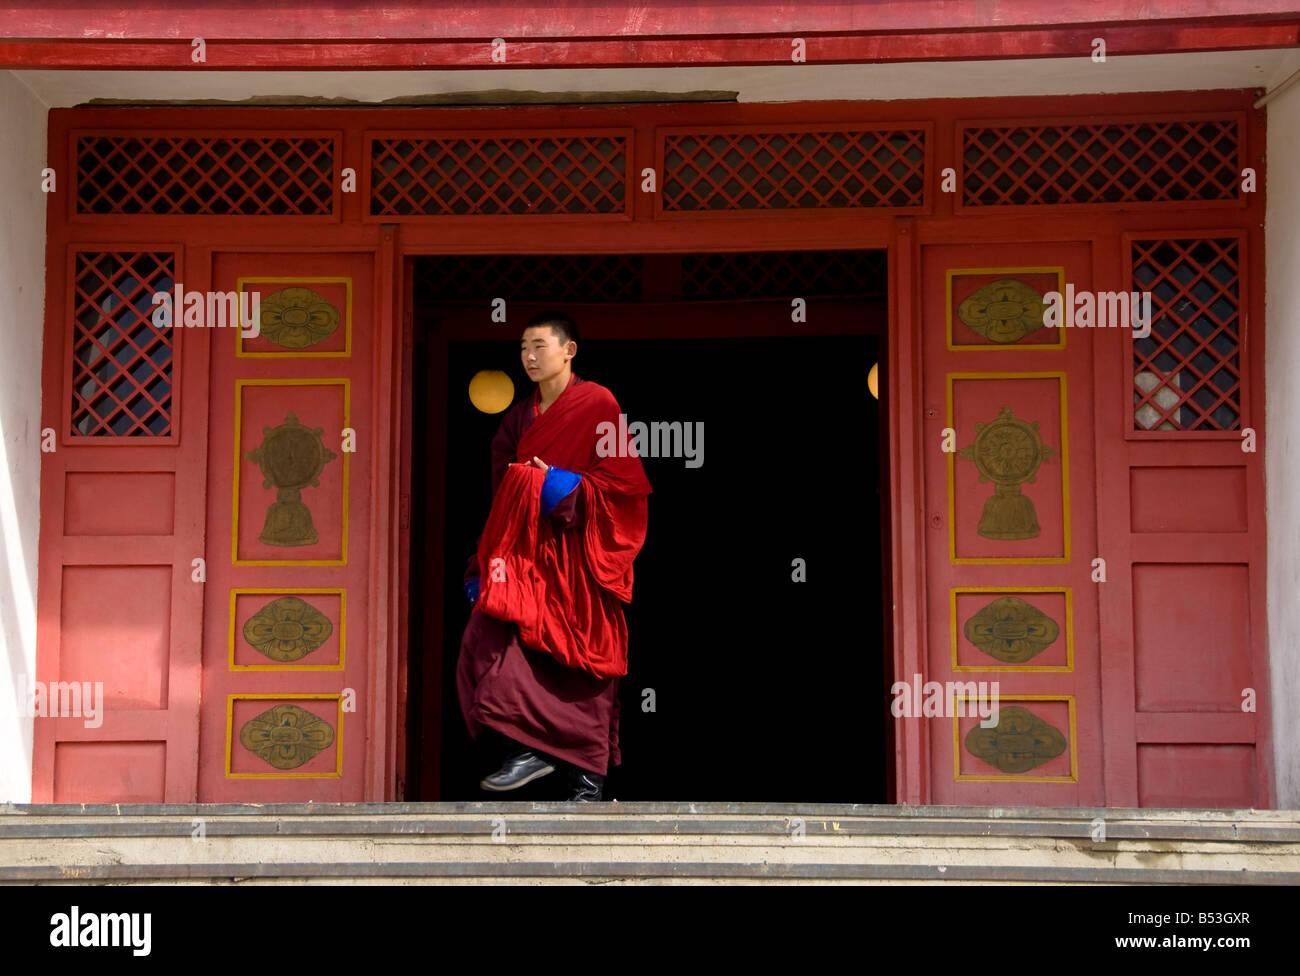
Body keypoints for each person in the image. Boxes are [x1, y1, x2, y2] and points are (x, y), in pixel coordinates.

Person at [457, 310, 651, 801]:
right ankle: (529, 750)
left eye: (540, 345)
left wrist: (558, 485)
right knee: (502, 641)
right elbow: (502, 497)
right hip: (529, 559)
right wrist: (483, 566)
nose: (529, 355)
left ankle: (586, 776)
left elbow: (624, 488)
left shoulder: (598, 403)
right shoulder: (517, 419)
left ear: (569, 351)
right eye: (523, 346)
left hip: (582, 561)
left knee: (584, 663)